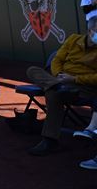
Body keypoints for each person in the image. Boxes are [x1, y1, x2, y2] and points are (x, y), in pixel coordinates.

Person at [27, 17, 97, 156]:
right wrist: (59, 75)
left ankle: (49, 140)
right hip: (61, 80)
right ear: (90, 31)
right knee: (32, 70)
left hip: (83, 87)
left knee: (53, 94)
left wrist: (75, 79)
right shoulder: (73, 39)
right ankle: (56, 85)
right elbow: (57, 59)